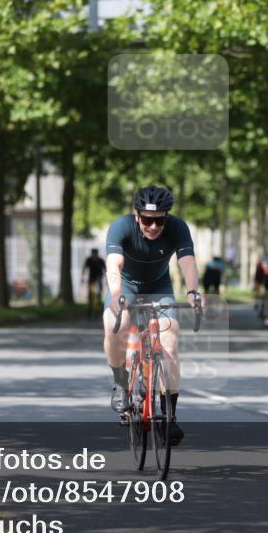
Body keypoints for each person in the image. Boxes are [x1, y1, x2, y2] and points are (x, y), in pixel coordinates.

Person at [103, 186, 203, 447]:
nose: (154, 226)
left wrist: (193, 291)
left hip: (159, 287)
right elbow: (114, 264)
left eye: (160, 219)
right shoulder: (121, 226)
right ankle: (120, 383)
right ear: (137, 216)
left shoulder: (178, 228)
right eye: (147, 220)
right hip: (126, 286)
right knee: (117, 323)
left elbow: (187, 261)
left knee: (169, 343)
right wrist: (116, 295)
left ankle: (169, 417)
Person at [82, 248, 107, 319]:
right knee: (90, 296)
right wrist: (83, 277)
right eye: (93, 254)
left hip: (99, 279)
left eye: (95, 254)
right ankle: (89, 312)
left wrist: (107, 280)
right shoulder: (89, 260)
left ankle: (98, 312)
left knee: (98, 296)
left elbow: (105, 270)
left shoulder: (101, 260)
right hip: (91, 280)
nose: (94, 256)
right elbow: (84, 268)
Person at [253, 252, 268, 327]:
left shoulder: (260, 263)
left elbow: (257, 278)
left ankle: (256, 301)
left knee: (257, 287)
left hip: (264, 276)